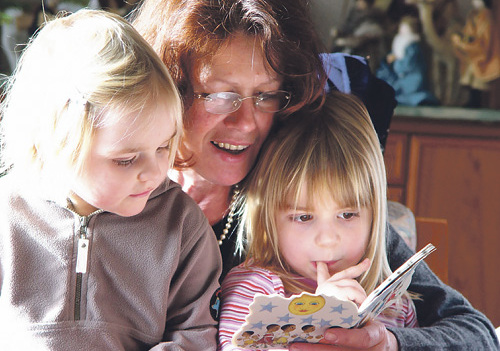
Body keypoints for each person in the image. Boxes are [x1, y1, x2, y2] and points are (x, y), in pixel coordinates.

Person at [131, 0, 499, 349]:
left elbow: (476, 333)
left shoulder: (303, 189)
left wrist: (389, 343)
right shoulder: (124, 198)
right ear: (171, 90)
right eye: (219, 95)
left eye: (265, 95)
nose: (245, 124)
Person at [0, 9, 221, 350]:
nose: (154, 171)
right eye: (126, 159)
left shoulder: (181, 225)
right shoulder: (7, 216)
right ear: (54, 144)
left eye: (164, 147)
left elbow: (196, 334)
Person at [218, 92, 418, 350]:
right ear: (269, 219)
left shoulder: (394, 305)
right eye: (303, 217)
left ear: (374, 217)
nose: (327, 238)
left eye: (347, 215)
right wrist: (318, 316)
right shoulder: (256, 288)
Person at [376, 15, 438, 106]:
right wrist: (390, 60)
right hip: (399, 74)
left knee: (406, 89)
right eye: (401, 27)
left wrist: (398, 61)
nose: (402, 30)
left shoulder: (412, 45)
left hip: (411, 76)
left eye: (405, 28)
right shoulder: (399, 42)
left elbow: (408, 64)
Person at [451, 0, 500, 108]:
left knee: (477, 78)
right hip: (474, 50)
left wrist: (468, 44)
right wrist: (464, 40)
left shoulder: (485, 16)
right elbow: (469, 32)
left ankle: (477, 102)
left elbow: (485, 39)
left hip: (482, 52)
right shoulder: (474, 14)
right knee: (470, 76)